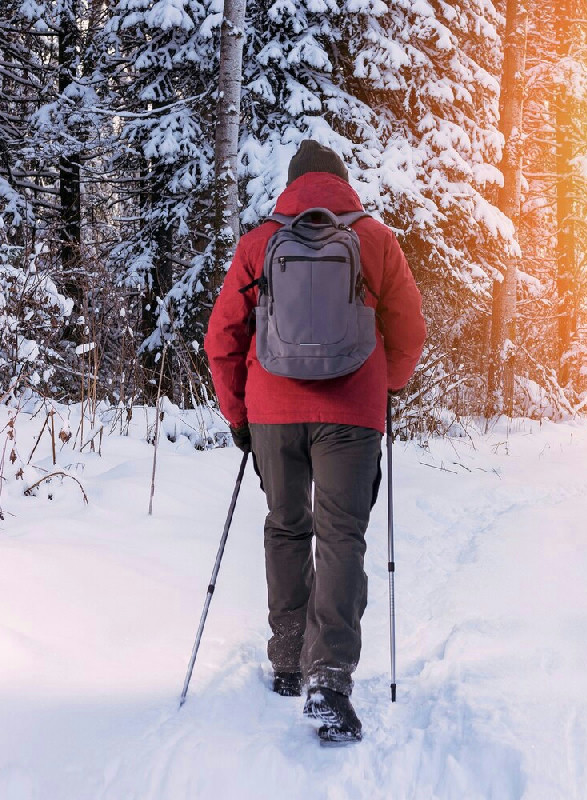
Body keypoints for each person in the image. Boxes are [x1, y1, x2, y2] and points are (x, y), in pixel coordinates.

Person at [204, 140, 426, 743]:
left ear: (292, 185)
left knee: (286, 526)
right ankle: (327, 677)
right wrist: (384, 384)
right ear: (343, 183)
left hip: (273, 411)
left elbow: (223, 336)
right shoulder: (376, 241)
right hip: (351, 415)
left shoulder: (258, 245)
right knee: (341, 536)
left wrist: (239, 416)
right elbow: (410, 330)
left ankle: (286, 659)